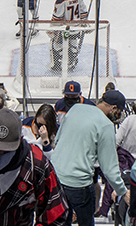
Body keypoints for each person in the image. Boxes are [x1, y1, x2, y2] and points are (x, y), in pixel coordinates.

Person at [51, 85, 130, 225]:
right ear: (113, 108)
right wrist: (123, 192)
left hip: (56, 178)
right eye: (118, 111)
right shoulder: (105, 125)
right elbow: (109, 168)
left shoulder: (75, 109)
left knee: (62, 221)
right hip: (79, 183)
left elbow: (57, 140)